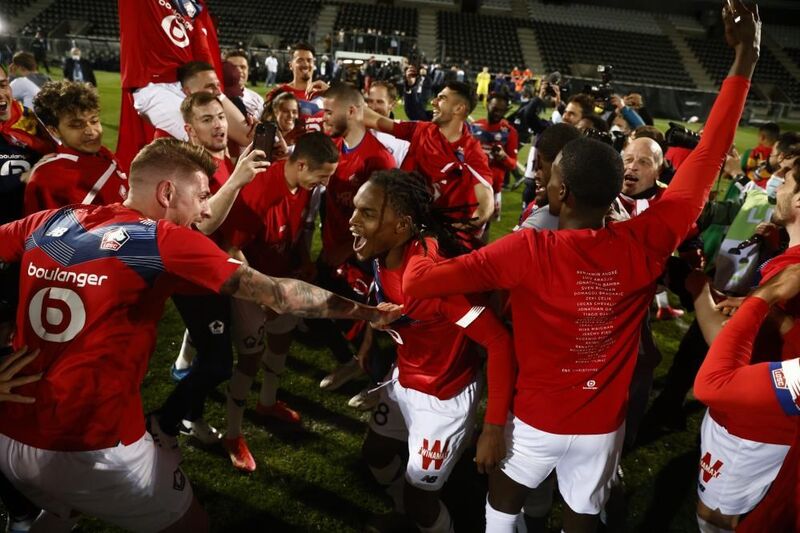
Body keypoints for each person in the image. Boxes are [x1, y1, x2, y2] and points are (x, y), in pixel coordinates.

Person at [403, 3, 758, 529]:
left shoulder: (525, 250)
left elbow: (420, 283)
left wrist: (422, 243)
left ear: (560, 192)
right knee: (584, 516)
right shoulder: (649, 239)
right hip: (602, 425)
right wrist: (746, 59)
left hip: (535, 420)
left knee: (502, 504)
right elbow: (708, 155)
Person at [0, 137, 399, 531]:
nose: (206, 208)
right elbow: (279, 294)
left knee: (61, 512)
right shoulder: (160, 239)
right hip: (93, 445)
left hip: (11, 437)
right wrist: (366, 312)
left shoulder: (53, 220)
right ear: (167, 191)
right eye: (203, 195)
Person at [352, 169, 514, 533]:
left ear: (402, 225)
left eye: (367, 213)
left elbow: (499, 342)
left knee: (422, 499)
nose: (352, 221)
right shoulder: (385, 251)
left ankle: (421, 516)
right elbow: (384, 299)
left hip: (442, 398)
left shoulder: (437, 284)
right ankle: (403, 511)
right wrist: (367, 339)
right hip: (405, 376)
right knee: (374, 453)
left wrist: (492, 429)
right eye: (355, 209)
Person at [217, 132, 341, 471]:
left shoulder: (302, 187)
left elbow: (296, 231)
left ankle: (267, 402)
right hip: (250, 287)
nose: (326, 183)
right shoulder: (260, 190)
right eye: (323, 175)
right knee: (250, 358)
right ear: (301, 165)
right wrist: (262, 295)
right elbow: (231, 248)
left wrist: (303, 259)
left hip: (281, 282)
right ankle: (232, 434)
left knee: (282, 340)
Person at [159, 91, 269, 448]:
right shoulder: (190, 169)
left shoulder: (223, 158)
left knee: (218, 354)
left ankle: (188, 411)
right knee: (219, 362)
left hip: (216, 272)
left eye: (220, 116)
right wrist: (237, 179)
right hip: (194, 281)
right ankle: (170, 418)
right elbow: (202, 225)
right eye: (207, 120)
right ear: (190, 130)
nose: (219, 125)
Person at [693, 262, 800, 532]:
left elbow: (714, 385)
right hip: (743, 412)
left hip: (753, 426)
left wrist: (764, 298)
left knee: (716, 517)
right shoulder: (786, 259)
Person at [314, 84, 395, 395]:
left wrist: (347, 248)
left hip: (362, 258)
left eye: (328, 111)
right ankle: (351, 362)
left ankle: (379, 387)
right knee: (318, 310)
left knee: (372, 322)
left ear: (351, 111)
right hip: (332, 253)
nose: (323, 116)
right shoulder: (333, 148)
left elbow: (383, 222)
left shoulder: (378, 158)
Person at [363, 81, 495, 245]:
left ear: (458, 109)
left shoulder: (470, 153)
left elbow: (486, 203)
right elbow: (375, 120)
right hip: (411, 227)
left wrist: (456, 228)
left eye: (442, 98)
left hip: (443, 241)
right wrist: (339, 99)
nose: (433, 102)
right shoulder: (421, 130)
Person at [24, 80, 128, 215]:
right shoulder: (47, 177)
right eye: (77, 125)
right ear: (53, 131)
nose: (91, 131)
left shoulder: (103, 153)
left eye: (94, 121)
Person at [471, 93, 519, 217]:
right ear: (487, 105)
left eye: (502, 111)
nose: (498, 113)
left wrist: (504, 157)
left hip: (493, 189)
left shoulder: (509, 132)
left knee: (484, 227)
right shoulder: (474, 126)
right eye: (495, 109)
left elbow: (513, 165)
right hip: (471, 185)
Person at [266, 42, 328, 132]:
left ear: (314, 64)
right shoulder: (279, 93)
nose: (305, 64)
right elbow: (268, 128)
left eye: (309, 60)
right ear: (291, 65)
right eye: (300, 60)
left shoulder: (325, 92)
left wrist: (332, 92)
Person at [365, 81, 409, 167]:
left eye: (379, 102)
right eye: (370, 101)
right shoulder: (356, 129)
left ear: (392, 105)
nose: (373, 107)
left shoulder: (403, 136)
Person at [224, 50, 264, 119]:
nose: (239, 71)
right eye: (233, 67)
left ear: (248, 71)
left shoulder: (258, 100)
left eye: (243, 67)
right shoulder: (216, 98)